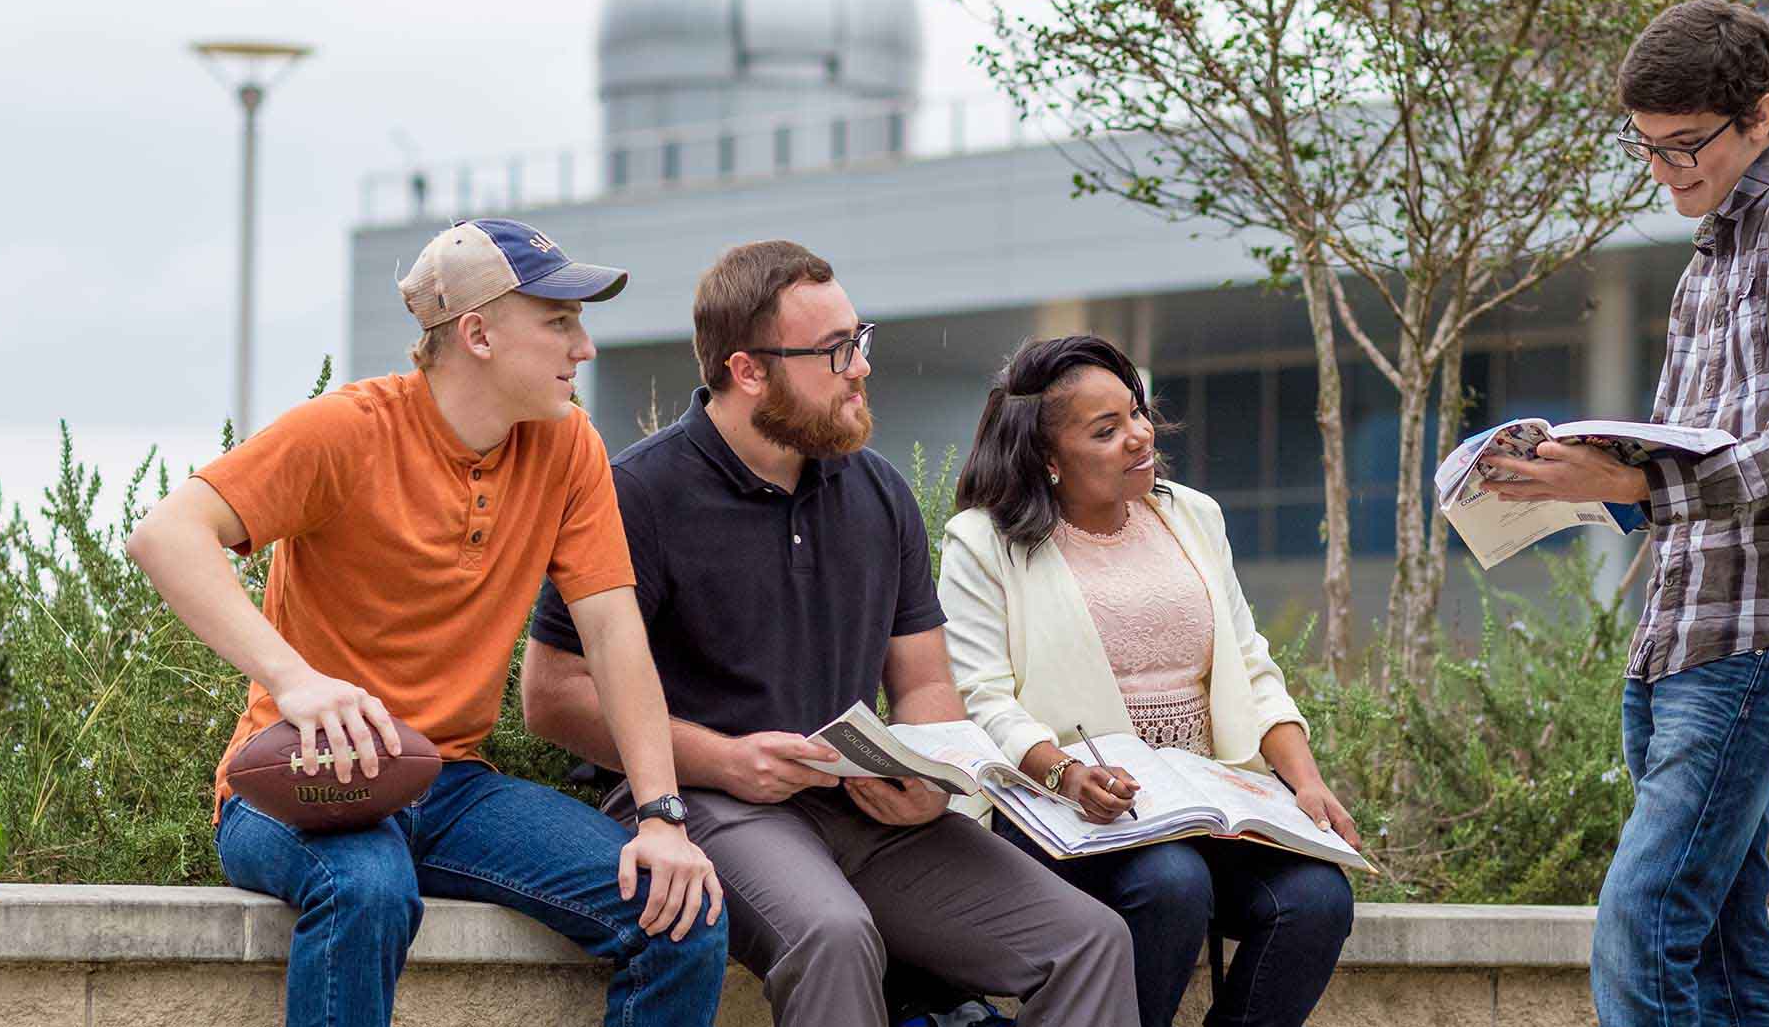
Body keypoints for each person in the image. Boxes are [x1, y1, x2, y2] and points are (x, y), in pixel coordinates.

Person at [519, 240, 1140, 1027]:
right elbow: (553, 696)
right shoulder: (637, 494)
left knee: (1088, 940)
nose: (861, 367)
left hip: (865, 811)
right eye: (836, 351)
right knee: (833, 935)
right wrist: (727, 760)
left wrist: (928, 779)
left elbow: (922, 683)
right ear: (749, 371)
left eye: (860, 339)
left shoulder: (879, 491)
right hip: (709, 806)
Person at [126, 218, 726, 1027]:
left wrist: (661, 816)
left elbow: (616, 638)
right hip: (300, 783)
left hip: (452, 785)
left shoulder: (568, 447)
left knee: (680, 912)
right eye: (558, 321)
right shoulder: (346, 430)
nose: (583, 347)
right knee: (365, 889)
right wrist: (293, 681)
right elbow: (164, 535)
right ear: (477, 332)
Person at [1480, 0, 1769, 1027]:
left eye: (1686, 145)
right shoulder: (1714, 252)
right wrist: (1581, 469)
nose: (1665, 170)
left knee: (1641, 918)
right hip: (1684, 626)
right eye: (1646, 146)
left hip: (1762, 625)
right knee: (1726, 937)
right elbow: (1707, 455)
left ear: (1762, 115)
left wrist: (1641, 482)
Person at [939, 334, 1360, 1027]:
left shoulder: (1193, 515)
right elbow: (983, 701)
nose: (1140, 437)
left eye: (1137, 412)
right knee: (1171, 883)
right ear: (1047, 458)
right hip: (1063, 812)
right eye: (1107, 430)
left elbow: (1250, 665)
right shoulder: (983, 544)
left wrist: (1306, 781)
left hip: (1200, 805)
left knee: (1317, 900)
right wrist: (1064, 774)